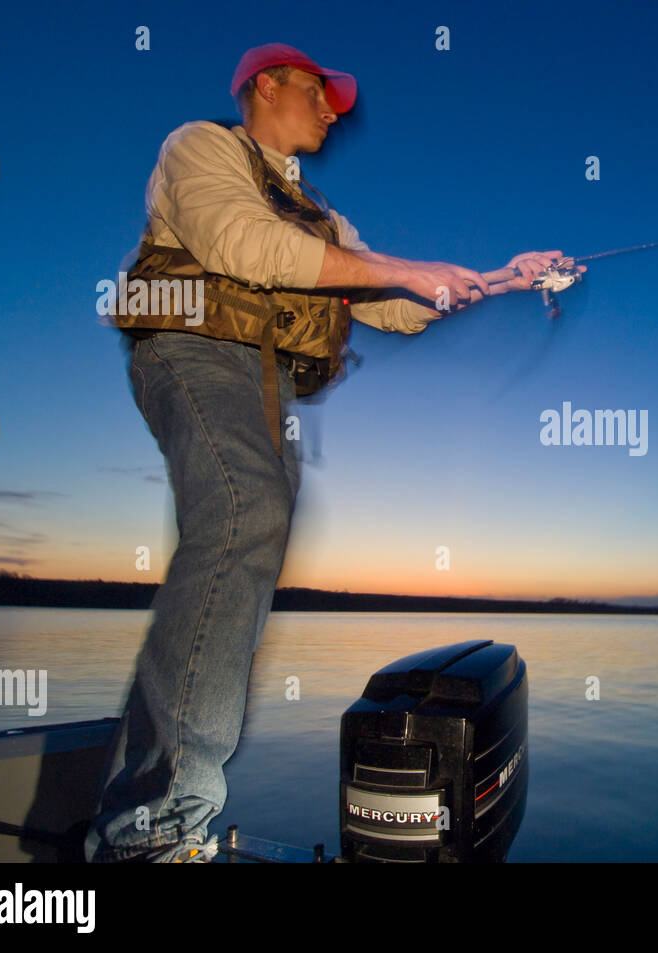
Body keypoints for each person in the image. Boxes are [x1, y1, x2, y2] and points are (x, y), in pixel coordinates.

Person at [84, 43, 577, 862]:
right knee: (245, 512)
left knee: (252, 531)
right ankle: (151, 830)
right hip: (193, 351)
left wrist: (510, 278)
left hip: (267, 382)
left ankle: (165, 805)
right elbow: (249, 249)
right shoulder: (201, 148)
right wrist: (407, 271)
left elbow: (389, 301)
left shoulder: (321, 215)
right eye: (321, 92)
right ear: (266, 85)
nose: (334, 109)